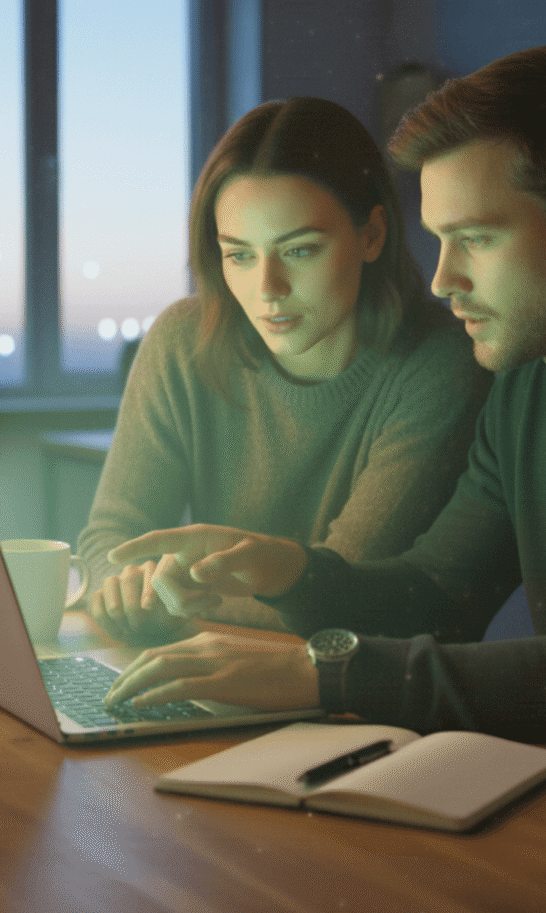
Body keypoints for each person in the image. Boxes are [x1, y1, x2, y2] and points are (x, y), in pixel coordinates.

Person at [103, 47, 546, 744]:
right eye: (438, 240)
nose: (441, 279)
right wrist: (292, 573)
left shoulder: (456, 363)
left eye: (476, 238)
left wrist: (325, 673)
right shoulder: (525, 385)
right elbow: (439, 594)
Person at [79, 96, 489, 643]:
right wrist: (122, 585)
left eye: (299, 251)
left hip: (353, 695)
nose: (267, 290)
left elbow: (333, 594)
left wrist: (176, 600)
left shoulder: (439, 362)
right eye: (239, 255)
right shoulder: (182, 338)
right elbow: (111, 540)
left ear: (371, 235)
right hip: (214, 662)